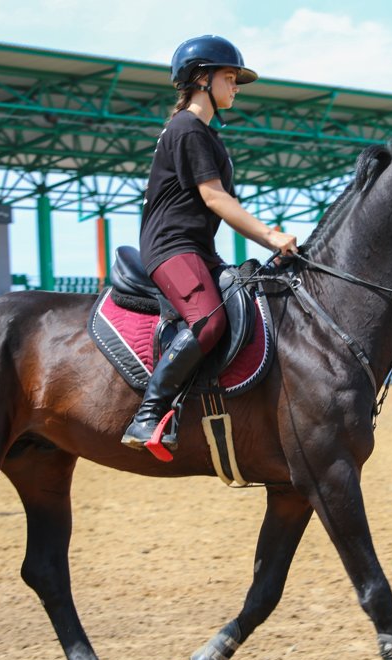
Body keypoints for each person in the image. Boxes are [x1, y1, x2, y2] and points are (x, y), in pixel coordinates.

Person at [120, 35, 298, 455]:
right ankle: (149, 412)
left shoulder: (205, 134)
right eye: (230, 77)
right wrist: (271, 235)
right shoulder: (187, 129)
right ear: (202, 78)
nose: (235, 87)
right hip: (172, 247)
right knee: (209, 322)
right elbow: (216, 199)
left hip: (198, 249)